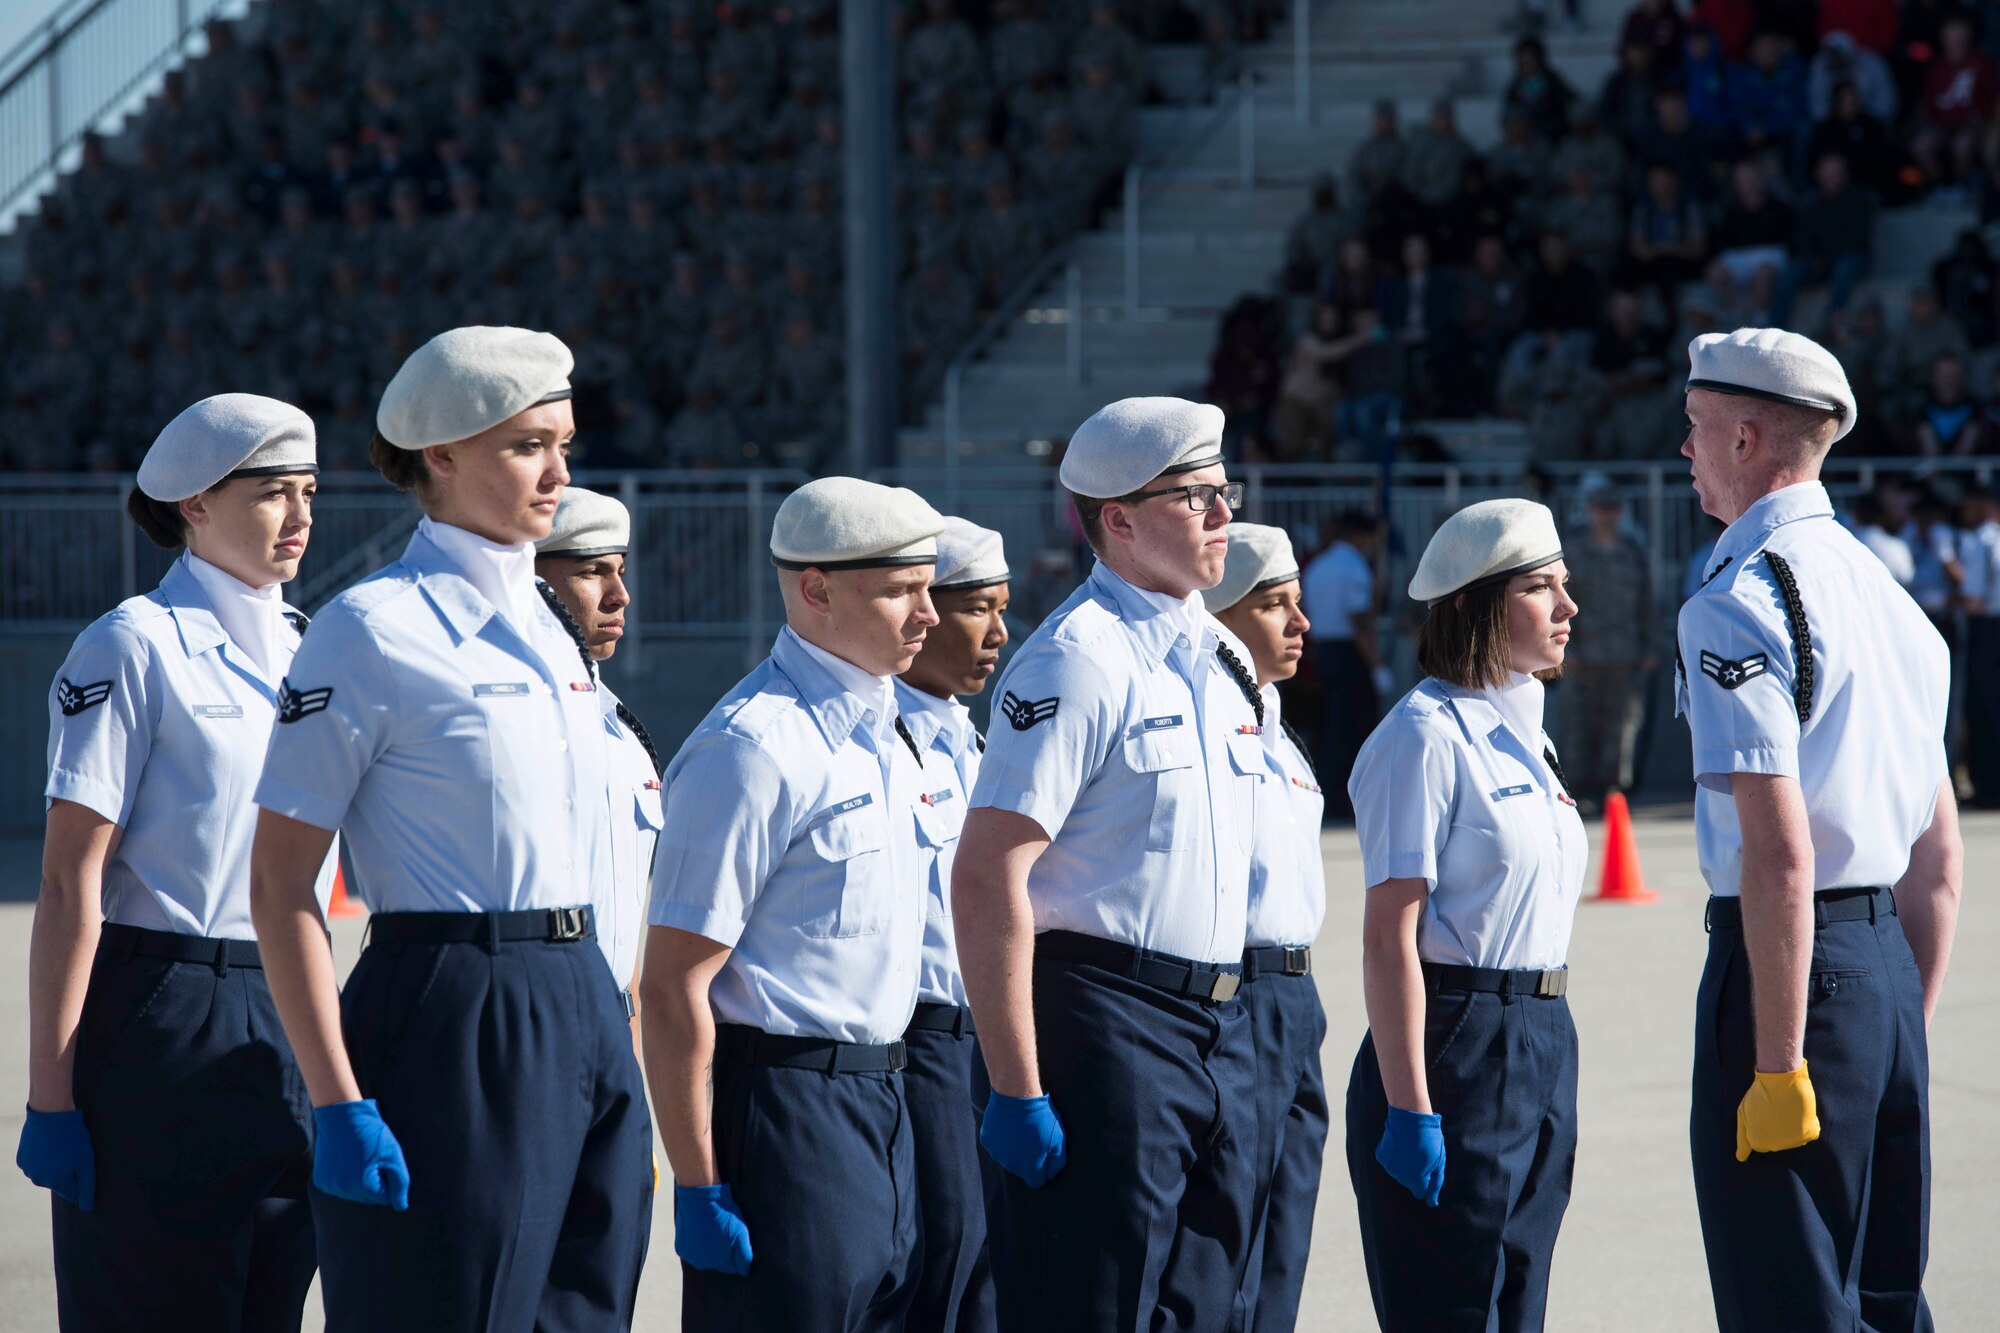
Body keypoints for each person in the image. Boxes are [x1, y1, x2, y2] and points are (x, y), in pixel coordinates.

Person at [248, 327, 652, 1331]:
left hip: (583, 995)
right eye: (527, 446)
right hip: (456, 1005)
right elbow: (281, 882)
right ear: (443, 455)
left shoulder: (551, 634)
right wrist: (336, 1097)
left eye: (563, 443)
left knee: (584, 1305)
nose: (558, 471)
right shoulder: (372, 629)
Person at [18, 395, 335, 1332]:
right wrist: (51, 1093)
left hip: (292, 1003)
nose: (302, 515)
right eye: (274, 492)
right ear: (194, 503)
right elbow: (69, 879)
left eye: (310, 491)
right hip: (166, 1005)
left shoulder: (316, 649)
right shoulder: (131, 644)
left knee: (272, 1300)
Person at [954, 398, 1264, 1329]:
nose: (1221, 515)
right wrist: (1017, 1084)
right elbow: (986, 875)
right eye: (1195, 495)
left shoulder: (1218, 654)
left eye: (1224, 491)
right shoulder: (1077, 661)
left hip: (1217, 1022)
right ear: (1119, 521)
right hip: (1105, 1026)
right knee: (1094, 1302)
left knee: (1206, 1304)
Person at [1677, 328, 1961, 1331]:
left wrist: (1780, 1058)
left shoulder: (1740, 599)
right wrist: (1894, 1030)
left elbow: (1777, 854)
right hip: (1881, 970)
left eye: (1698, 430)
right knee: (1883, 1295)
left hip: (1788, 973)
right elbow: (1938, 861)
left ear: (1748, 439)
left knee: (1785, 1299)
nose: (1686, 451)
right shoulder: (1894, 603)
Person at [641, 477, 945, 1332]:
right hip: (786, 1108)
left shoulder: (885, 735)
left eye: (927, 586)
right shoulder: (755, 747)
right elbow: (671, 986)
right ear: (816, 589)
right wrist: (699, 1182)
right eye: (899, 591)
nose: (927, 612)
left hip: (885, 1101)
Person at [1345, 498, 1586, 1333]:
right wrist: (1411, 1105)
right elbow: (1388, 938)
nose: (1567, 605)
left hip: (1542, 1033)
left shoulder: (1524, 731)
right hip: (1457, 1041)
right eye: (1539, 587)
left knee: (1519, 1304)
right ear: (1472, 605)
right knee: (1453, 1307)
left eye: (1564, 583)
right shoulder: (1423, 735)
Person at [1206, 524, 1329, 1332]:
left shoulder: (1279, 727)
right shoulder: (1207, 719)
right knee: (1228, 1242)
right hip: (1235, 992)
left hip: (1294, 996)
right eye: (1274, 603)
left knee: (1284, 1237)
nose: (1300, 621)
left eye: (1297, 601)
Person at [893, 517, 1012, 1333]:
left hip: (988, 1041)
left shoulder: (974, 741)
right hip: (921, 1047)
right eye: (976, 608)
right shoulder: (878, 736)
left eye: (1003, 608)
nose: (999, 631)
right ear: (922, 610)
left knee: (988, 1286)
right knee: (935, 1276)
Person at [534, 486, 663, 1021]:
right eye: (592, 572)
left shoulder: (625, 735)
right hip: (534, 1022)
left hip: (610, 1031)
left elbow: (624, 929)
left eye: (620, 571)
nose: (619, 595)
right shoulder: (508, 723)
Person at [1302, 511, 1386, 813]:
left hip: (1324, 650)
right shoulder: (1354, 566)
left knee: (1331, 725)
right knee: (1354, 728)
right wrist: (1376, 665)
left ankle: (1331, 794)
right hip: (1350, 652)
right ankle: (1347, 799)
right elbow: (1360, 621)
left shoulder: (1319, 565)